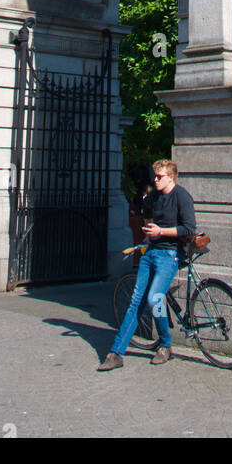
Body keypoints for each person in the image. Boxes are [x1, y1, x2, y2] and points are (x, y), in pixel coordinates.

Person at [98, 159, 196, 371]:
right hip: (151, 252)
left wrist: (161, 232)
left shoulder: (182, 197)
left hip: (170, 254)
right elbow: (146, 210)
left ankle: (165, 343)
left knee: (154, 299)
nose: (155, 180)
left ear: (171, 177)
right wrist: (148, 233)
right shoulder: (154, 196)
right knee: (136, 301)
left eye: (159, 176)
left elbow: (189, 228)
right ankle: (117, 353)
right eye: (155, 176)